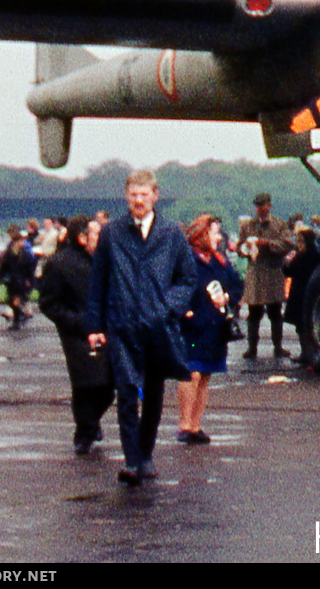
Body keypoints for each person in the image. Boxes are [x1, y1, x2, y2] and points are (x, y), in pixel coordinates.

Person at [86, 170, 197, 486]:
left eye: (144, 194)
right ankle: (132, 461)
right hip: (122, 325)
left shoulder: (171, 233)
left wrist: (168, 308)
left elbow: (188, 278)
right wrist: (94, 325)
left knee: (154, 393)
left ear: (154, 196)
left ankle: (145, 454)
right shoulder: (112, 233)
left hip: (157, 327)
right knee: (125, 392)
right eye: (133, 195)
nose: (138, 200)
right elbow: (98, 281)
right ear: (126, 197)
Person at [37, 216, 115, 454]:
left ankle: (90, 422)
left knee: (109, 385)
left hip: (105, 329)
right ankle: (85, 431)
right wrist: (73, 321)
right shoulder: (59, 264)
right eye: (96, 234)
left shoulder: (103, 261)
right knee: (86, 382)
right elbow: (48, 303)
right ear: (82, 238)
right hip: (76, 332)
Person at [177, 214, 241, 444]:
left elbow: (237, 285)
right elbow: (172, 286)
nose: (219, 237)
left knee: (205, 375)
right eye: (214, 232)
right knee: (191, 372)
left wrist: (227, 296)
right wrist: (184, 310)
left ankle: (195, 425)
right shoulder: (185, 259)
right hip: (192, 327)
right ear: (202, 233)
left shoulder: (221, 261)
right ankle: (184, 425)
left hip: (215, 327)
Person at [236, 192, 294, 359]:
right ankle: (252, 348)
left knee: (275, 311)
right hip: (255, 272)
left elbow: (287, 244)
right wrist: (246, 248)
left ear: (269, 205)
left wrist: (268, 244)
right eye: (257, 206)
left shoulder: (279, 224)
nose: (260, 209)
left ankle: (278, 347)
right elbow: (239, 248)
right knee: (254, 312)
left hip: (273, 271)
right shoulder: (248, 226)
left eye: (263, 205)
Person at [283, 220, 320, 366]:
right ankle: (307, 353)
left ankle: (307, 353)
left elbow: (289, 271)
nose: (299, 244)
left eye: (301, 241)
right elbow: (289, 271)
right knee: (305, 325)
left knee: (305, 325)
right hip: (306, 293)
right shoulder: (312, 256)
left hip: (305, 294)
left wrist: (287, 263)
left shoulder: (307, 256)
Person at [0, 225, 35, 329]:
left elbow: (29, 269)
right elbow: (3, 266)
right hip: (12, 281)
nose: (22, 243)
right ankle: (21, 316)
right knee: (11, 301)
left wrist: (29, 280)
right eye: (20, 241)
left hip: (21, 281)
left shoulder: (25, 254)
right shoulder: (9, 254)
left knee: (16, 300)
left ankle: (17, 321)